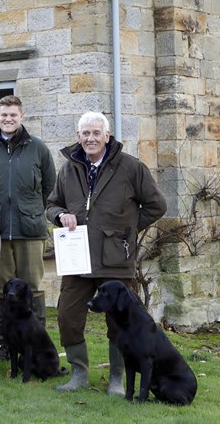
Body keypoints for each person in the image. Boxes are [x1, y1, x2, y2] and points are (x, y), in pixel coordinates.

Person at [45, 111, 166, 394]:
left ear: (107, 136)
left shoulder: (131, 168)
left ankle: (116, 379)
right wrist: (60, 215)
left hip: (115, 260)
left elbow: (156, 205)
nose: (90, 138)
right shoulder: (69, 168)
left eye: (96, 133)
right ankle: (78, 375)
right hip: (77, 258)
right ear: (78, 137)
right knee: (67, 316)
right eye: (85, 133)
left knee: (119, 321)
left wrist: (126, 231)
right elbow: (51, 204)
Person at [0, 95, 56, 362]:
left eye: (13, 115)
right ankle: (6, 346)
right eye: (3, 115)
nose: (8, 119)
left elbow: (49, 188)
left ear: (21, 116)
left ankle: (38, 347)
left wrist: (31, 210)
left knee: (33, 288)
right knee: (2, 290)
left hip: (30, 230)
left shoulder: (38, 149)